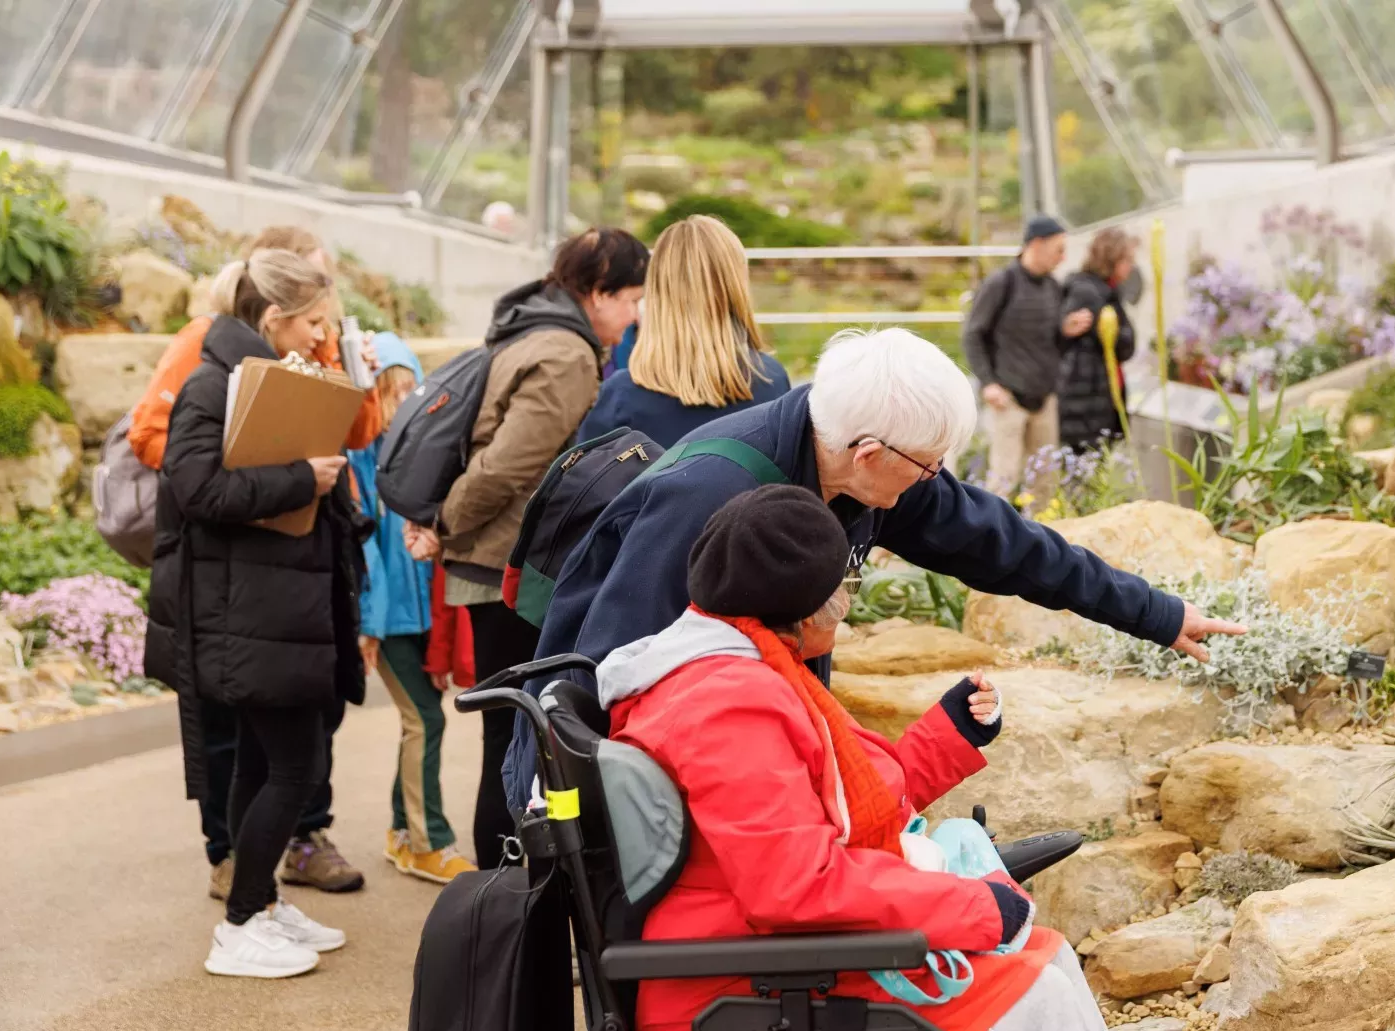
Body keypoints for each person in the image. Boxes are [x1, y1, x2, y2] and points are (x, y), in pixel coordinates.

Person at [516, 326, 1246, 806]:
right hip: (640, 775)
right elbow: (616, 671)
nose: (935, 482)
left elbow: (1007, 544)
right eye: (929, 468)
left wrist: (1156, 613)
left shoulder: (870, 468)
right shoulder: (709, 498)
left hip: (761, 749)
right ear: (870, 453)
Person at [602, 485, 1128, 1031]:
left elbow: (837, 809)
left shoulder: (740, 664)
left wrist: (948, 737)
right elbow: (796, 887)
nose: (847, 603)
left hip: (766, 954)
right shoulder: (728, 705)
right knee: (1041, 998)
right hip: (740, 986)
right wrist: (975, 907)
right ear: (801, 608)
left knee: (1048, 956)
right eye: (844, 588)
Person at [130, 225, 378, 900]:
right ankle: (245, 906)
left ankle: (258, 905)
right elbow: (196, 484)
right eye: (313, 323)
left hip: (283, 598)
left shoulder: (278, 368)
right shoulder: (215, 380)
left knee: (271, 760)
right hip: (246, 602)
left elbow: (355, 433)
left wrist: (354, 381)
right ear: (274, 313)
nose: (319, 337)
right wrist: (299, 479)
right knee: (281, 763)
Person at [402, 227, 649, 868]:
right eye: (629, 298)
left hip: (495, 560)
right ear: (597, 293)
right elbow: (513, 464)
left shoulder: (526, 332)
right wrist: (445, 525)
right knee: (519, 740)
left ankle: (501, 901)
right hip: (511, 570)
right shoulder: (566, 354)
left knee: (506, 736)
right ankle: (506, 903)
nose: (634, 316)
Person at [347, 337, 476, 885]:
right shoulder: (358, 460)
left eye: (407, 391)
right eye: (386, 393)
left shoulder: (423, 456)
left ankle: (402, 832)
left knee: (421, 718)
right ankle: (429, 841)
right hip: (388, 618)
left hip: (424, 613)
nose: (398, 405)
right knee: (423, 719)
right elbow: (363, 549)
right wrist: (367, 626)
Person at [573, 214, 791, 449]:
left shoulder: (621, 398)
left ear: (657, 290)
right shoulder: (774, 384)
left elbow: (581, 481)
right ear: (736, 288)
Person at [961, 215, 1094, 494]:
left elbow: (1051, 343)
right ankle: (988, 536)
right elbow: (973, 334)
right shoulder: (1002, 283)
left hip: (1044, 398)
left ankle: (1041, 535)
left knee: (1045, 482)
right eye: (1058, 249)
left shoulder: (1052, 287)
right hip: (1007, 398)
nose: (1062, 257)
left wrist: (1067, 331)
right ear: (1036, 244)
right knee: (1004, 479)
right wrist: (988, 383)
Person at [1057, 229, 1139, 451]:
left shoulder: (1108, 291)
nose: (1131, 266)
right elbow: (1123, 344)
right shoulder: (1088, 293)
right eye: (1128, 259)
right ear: (1111, 258)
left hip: (1100, 399)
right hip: (1086, 404)